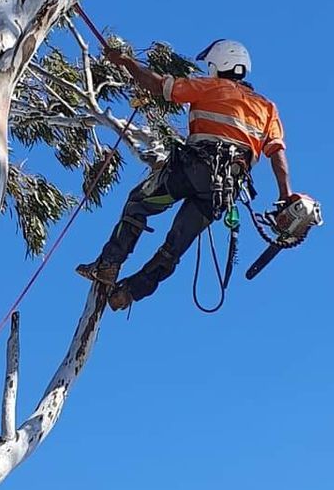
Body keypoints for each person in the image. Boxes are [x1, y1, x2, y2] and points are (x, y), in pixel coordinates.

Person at [77, 39, 303, 310]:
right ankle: (130, 293)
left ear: (218, 64)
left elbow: (160, 85)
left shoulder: (210, 87)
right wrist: (285, 196)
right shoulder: (267, 108)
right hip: (223, 191)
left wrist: (125, 62)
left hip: (194, 169)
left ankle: (109, 264)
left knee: (138, 202)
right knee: (176, 244)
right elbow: (277, 154)